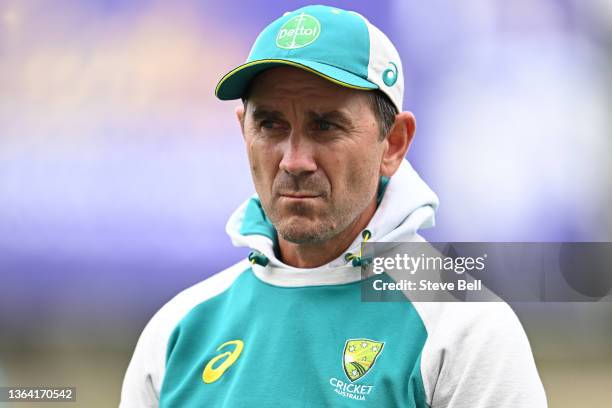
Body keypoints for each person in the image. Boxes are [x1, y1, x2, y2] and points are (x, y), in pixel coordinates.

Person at [120, 5, 547, 407]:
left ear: (394, 143)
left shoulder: (463, 326)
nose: (294, 160)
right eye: (270, 124)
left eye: (324, 125)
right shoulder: (178, 329)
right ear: (243, 130)